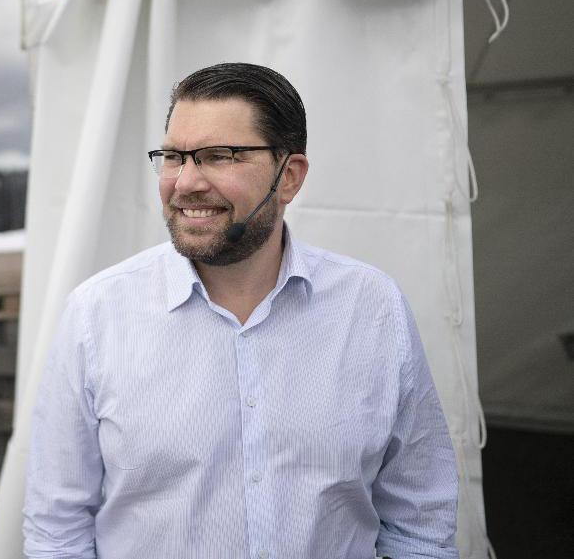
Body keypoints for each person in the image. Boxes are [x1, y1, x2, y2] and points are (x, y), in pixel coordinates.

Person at [22, 63, 459, 559]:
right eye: (172, 157)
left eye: (217, 157)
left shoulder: (373, 308)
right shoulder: (96, 316)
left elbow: (421, 518)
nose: (185, 182)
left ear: (289, 177)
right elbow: (57, 529)